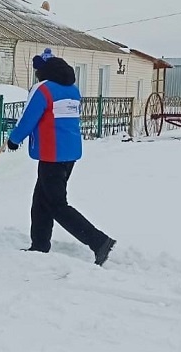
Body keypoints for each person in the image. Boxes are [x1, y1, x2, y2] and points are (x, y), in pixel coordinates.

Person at [6, 48, 116, 266]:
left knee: (56, 204)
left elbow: (28, 118)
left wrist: (14, 139)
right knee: (41, 200)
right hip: (69, 153)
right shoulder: (73, 90)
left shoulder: (43, 90)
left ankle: (99, 241)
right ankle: (39, 245)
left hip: (52, 154)